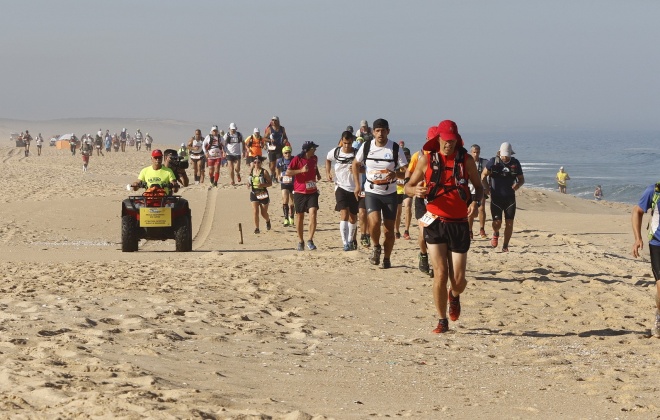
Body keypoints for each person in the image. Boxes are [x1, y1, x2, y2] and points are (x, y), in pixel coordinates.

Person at [405, 120, 482, 334]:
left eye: (453, 140)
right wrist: (415, 192)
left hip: (459, 223)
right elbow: (408, 186)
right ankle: (441, 320)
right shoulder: (426, 160)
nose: (449, 144)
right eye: (446, 140)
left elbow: (479, 187)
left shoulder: (465, 160)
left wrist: (475, 203)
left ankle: (454, 296)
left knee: (458, 280)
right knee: (440, 273)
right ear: (438, 139)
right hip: (435, 221)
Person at [352, 118, 408, 269]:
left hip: (390, 193)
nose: (380, 133)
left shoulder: (395, 148)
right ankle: (376, 247)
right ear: (373, 132)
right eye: (377, 131)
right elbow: (355, 164)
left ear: (388, 131)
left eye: (383, 130)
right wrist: (357, 185)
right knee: (375, 222)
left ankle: (387, 258)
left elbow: (406, 171)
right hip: (372, 191)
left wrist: (396, 174)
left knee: (389, 231)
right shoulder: (366, 146)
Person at [406, 126, 439, 277]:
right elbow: (409, 172)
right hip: (422, 199)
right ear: (427, 140)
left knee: (437, 234)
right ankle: (423, 254)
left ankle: (435, 263)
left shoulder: (443, 157)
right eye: (431, 140)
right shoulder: (419, 156)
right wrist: (411, 186)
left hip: (437, 200)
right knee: (423, 231)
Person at [481, 142, 525, 252]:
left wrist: (518, 185)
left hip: (510, 198)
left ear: (510, 154)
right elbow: (483, 175)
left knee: (509, 223)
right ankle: (496, 233)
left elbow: (521, 179)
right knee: (497, 223)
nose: (505, 157)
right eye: (503, 155)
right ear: (500, 153)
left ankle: (505, 246)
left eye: (507, 155)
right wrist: (486, 188)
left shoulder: (515, 163)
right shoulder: (493, 162)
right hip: (496, 198)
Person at [631, 183, 660, 338]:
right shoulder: (654, 191)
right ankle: (659, 315)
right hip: (658, 244)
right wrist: (637, 238)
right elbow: (637, 211)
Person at [326, 131, 358, 251]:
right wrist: (327, 172)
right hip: (340, 187)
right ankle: (345, 243)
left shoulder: (356, 153)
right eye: (344, 143)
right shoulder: (336, 152)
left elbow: (365, 167)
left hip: (353, 188)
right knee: (344, 213)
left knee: (353, 217)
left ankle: (350, 240)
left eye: (349, 143)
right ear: (341, 141)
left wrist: (357, 169)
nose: (346, 146)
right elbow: (328, 159)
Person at [286, 141, 321, 251]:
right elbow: (288, 172)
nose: (315, 150)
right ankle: (301, 241)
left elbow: (314, 167)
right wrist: (300, 170)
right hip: (299, 192)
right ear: (307, 150)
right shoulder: (297, 159)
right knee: (300, 217)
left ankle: (310, 240)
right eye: (313, 148)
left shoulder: (315, 158)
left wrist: (318, 174)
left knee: (313, 213)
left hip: (312, 191)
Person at [468, 144, 489, 239]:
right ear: (471, 152)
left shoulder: (484, 162)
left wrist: (488, 187)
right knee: (470, 211)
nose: (476, 154)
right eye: (474, 152)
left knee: (481, 209)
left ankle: (482, 229)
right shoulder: (467, 162)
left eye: (477, 152)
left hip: (480, 189)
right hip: (469, 190)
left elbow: (491, 171)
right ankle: (470, 230)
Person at [248, 156, 273, 234]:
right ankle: (257, 228)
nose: (256, 164)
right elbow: (249, 180)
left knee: (263, 213)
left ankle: (267, 220)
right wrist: (248, 184)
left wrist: (262, 185)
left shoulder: (264, 172)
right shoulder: (251, 171)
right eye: (255, 162)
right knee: (255, 211)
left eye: (258, 162)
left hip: (263, 193)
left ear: (261, 163)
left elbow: (270, 183)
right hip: (254, 193)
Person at [395, 141, 412, 240]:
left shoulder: (411, 166)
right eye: (404, 155)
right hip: (397, 190)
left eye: (407, 155)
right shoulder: (397, 165)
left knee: (408, 206)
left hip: (407, 190)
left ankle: (406, 230)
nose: (406, 157)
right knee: (398, 211)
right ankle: (397, 231)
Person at [276, 145, 295, 227]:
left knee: (292, 201)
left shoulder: (294, 160)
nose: (288, 154)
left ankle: (292, 217)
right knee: (285, 200)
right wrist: (278, 175)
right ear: (283, 154)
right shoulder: (280, 161)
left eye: (289, 152)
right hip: (284, 182)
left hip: (293, 183)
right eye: (286, 153)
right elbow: (277, 168)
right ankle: (286, 218)